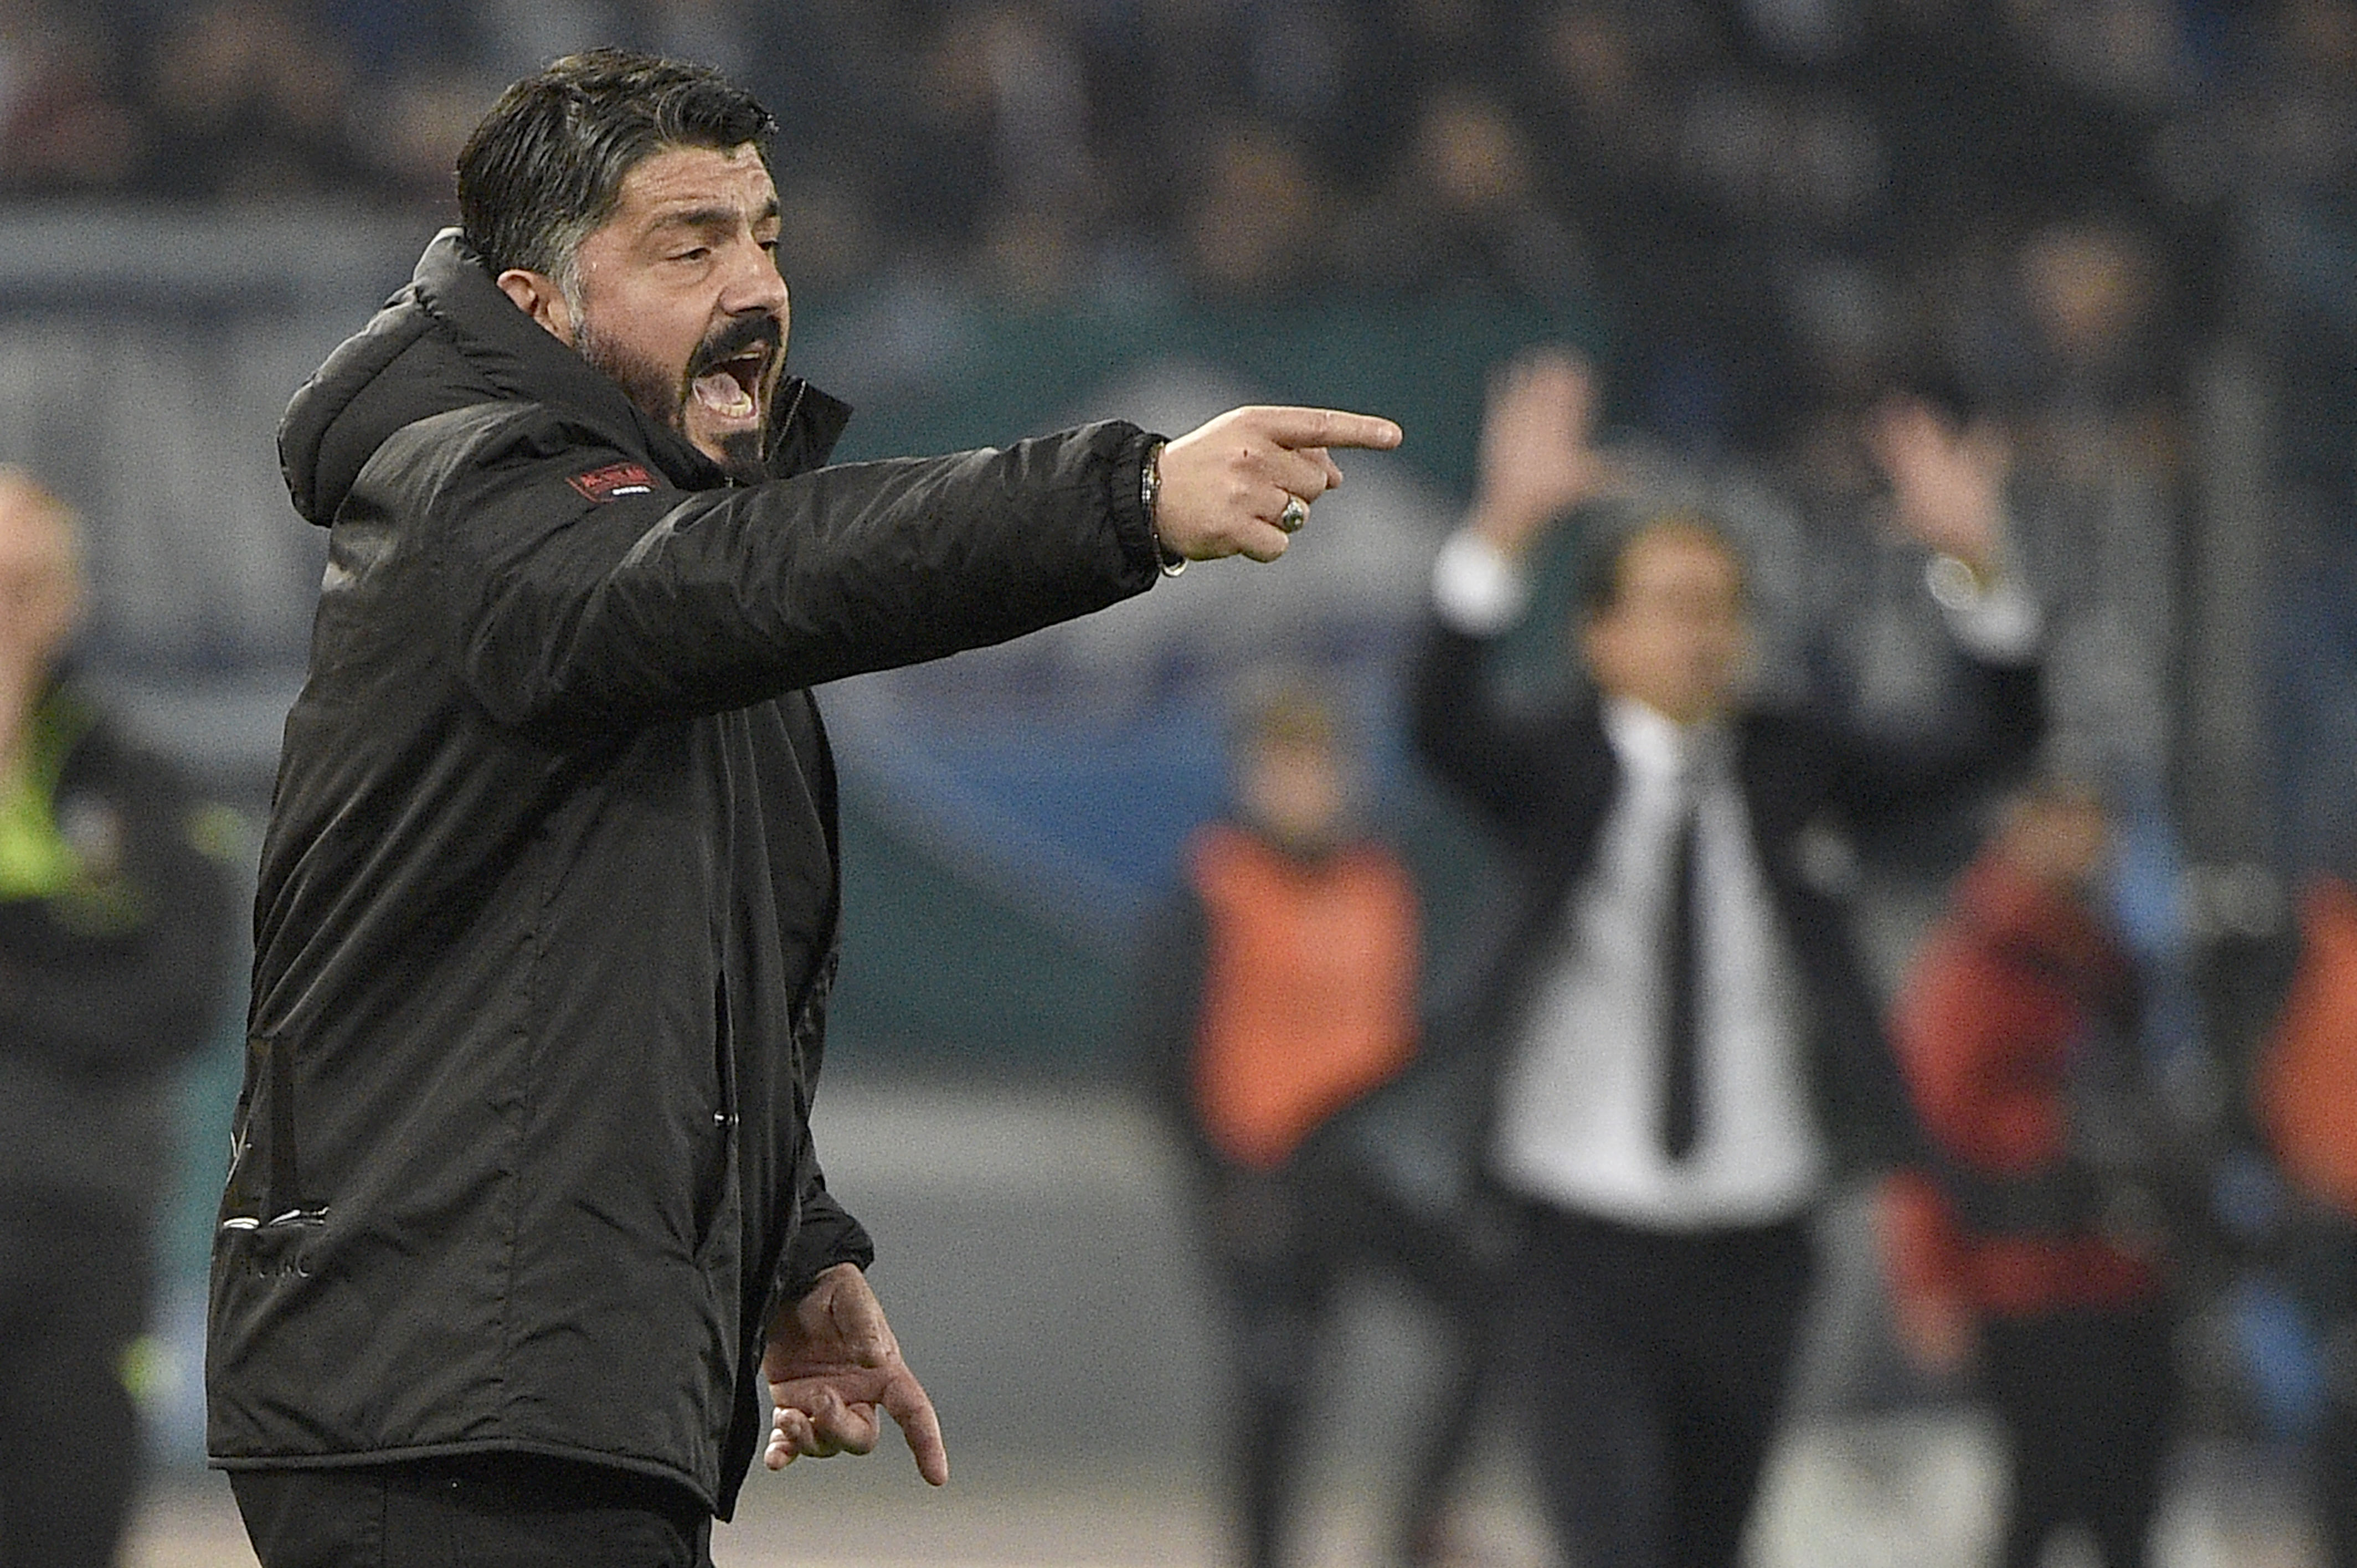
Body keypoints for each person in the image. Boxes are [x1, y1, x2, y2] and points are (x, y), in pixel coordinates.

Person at [203, 47, 1403, 1566]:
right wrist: (1126, 498)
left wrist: (787, 1244)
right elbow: (766, 575)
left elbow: (674, 969)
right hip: (441, 1399)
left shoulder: (677, 539)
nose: (756, 286)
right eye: (687, 246)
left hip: (534, 1385)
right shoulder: (479, 502)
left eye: (766, 234)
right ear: (538, 308)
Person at [1407, 349, 2044, 1568]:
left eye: (1723, 607)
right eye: (1672, 604)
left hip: (1758, 1239)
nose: (1705, 636)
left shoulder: (1793, 762)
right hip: (1575, 1237)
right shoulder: (1556, 771)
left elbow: (1991, 743)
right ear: (1598, 636)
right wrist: (1501, 531)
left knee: (1709, 1545)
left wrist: (1977, 565)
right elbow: (1437, 722)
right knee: (1611, 1542)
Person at [1138, 678, 1479, 1568]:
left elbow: (1412, 1031)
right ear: (1251, 777)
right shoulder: (1215, 884)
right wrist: (1219, 1183)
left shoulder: (1381, 878)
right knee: (1279, 1380)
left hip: (1367, 1168)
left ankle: (1422, 1524)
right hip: (1267, 1173)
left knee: (1499, 1307)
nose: (1306, 786)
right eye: (1283, 767)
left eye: (1321, 766)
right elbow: (1161, 1051)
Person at [0, 468, 236, 1567]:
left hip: (80, 1240)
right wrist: (61, 954)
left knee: (65, 1532)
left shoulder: (140, 782)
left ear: (67, 603)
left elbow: (178, 1000)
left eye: (23, 587)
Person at [1882, 779, 2177, 1568]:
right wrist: (1929, 1282)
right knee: (2044, 1500)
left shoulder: (2112, 952)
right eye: (2062, 817)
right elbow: (1919, 1140)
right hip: (2025, 1279)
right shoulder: (1976, 963)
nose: (2085, 838)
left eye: (2097, 817)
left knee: (2129, 1509)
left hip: (2128, 1271)